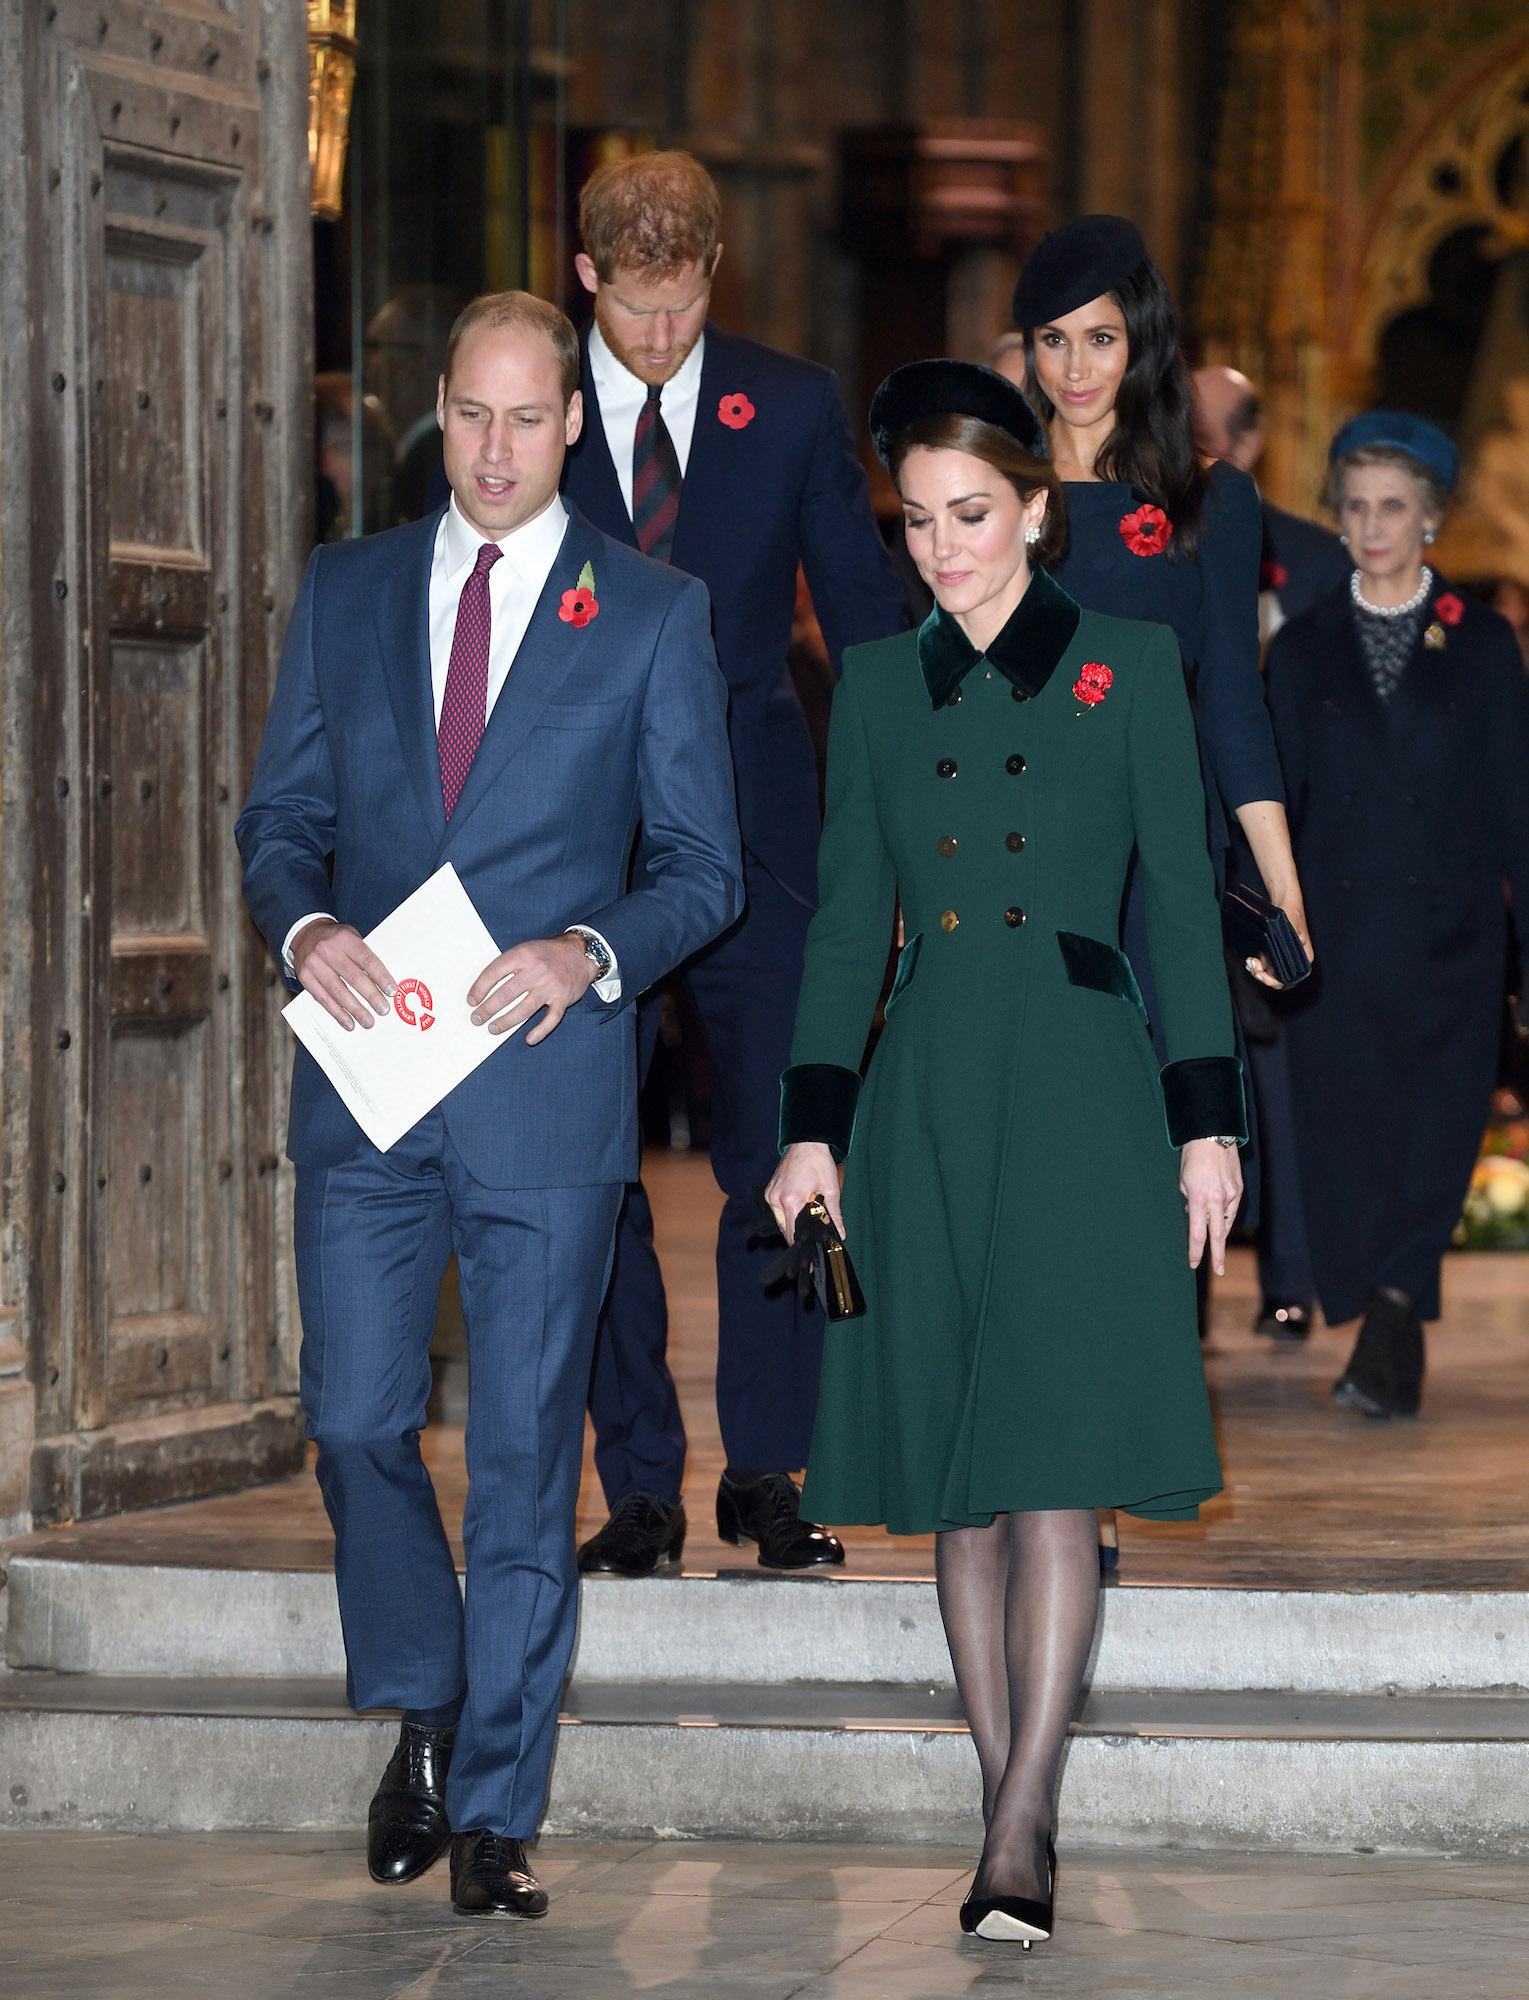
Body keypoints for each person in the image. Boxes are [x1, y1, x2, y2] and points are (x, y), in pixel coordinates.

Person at [237, 292, 742, 1917]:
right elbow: (279, 824)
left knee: (526, 1462)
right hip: (373, 1092)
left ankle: (496, 1807)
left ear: (572, 426)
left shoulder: (653, 613)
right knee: (355, 1420)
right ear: (435, 413)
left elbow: (703, 872)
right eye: (470, 415)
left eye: (529, 419)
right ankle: (429, 1702)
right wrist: (302, 927)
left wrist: (586, 949)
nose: (497, 448)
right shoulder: (348, 588)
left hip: (540, 1095)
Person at [766, 360, 1243, 1948]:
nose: (941, 547)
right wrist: (810, 1134)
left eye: (970, 514)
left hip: (1088, 1096)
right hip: (928, 1101)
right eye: (916, 522)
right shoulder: (883, 691)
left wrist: (1207, 1125)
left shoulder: (1132, 664)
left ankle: (1022, 1816)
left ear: (1039, 510)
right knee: (958, 1491)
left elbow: (1180, 907)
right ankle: (1005, 1796)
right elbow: (846, 929)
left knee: (1050, 1476)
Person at [561, 150, 908, 1579]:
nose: (658, 336)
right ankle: (636, 1480)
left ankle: (768, 1468)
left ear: (714, 273)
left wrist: (900, 844)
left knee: (783, 1157)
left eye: (681, 301)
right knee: (585, 1168)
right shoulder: (536, 408)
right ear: (589, 278)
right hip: (578, 855)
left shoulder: (793, 406)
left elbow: (874, 640)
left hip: (764, 842)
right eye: (631, 308)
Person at [1266, 411, 1529, 1419]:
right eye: (1354, 506)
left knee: (1435, 1134)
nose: (1371, 525)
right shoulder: (1302, 647)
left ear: (1427, 519)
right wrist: (1264, 926)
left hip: (1450, 939)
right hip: (1333, 946)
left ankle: (1384, 1314)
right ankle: (1386, 1318)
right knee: (1350, 1145)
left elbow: (1515, 803)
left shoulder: (1480, 642)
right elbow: (1275, 804)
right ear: (1336, 519)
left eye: (1391, 506)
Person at [1191, 362, 1347, 1342]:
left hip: (1278, 830)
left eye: (1211, 431)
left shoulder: (1313, 560)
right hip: (1174, 825)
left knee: (1277, 1066)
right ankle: (1184, 1291)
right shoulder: (1143, 531)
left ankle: (1288, 1277)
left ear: (1248, 444)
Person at [1192, 365, 1350, 633]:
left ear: (1247, 445)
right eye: (1170, 435)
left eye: (1201, 440)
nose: (1179, 453)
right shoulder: (1138, 539)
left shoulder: (1319, 562)